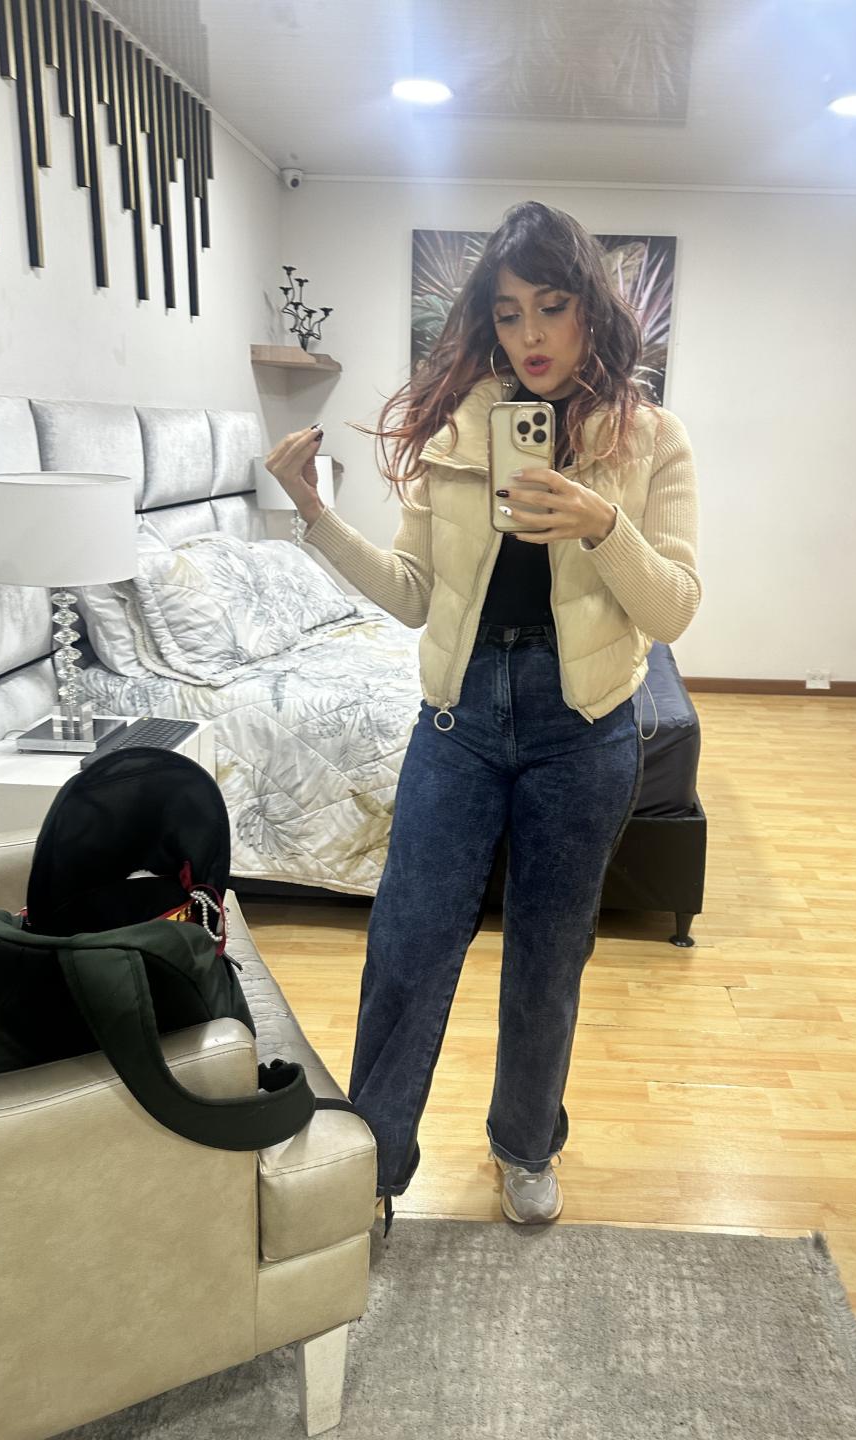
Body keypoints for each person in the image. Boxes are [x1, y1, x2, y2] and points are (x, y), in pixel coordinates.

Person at [265, 201, 700, 1230]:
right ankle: (374, 1168)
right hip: (458, 722)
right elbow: (414, 593)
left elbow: (675, 608)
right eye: (508, 314)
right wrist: (315, 515)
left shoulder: (649, 438)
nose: (531, 335)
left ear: (590, 308)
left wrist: (601, 525)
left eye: (551, 307)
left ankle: (524, 1144)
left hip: (584, 729)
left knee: (549, 959)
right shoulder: (460, 430)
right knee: (407, 947)